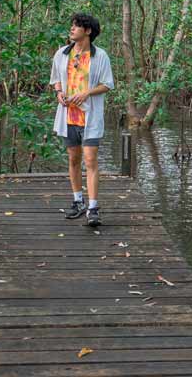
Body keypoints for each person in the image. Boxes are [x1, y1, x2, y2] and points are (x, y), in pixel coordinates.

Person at [49, 13, 114, 227]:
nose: (72, 29)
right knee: (73, 160)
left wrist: (86, 93)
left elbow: (107, 84)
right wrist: (59, 94)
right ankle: (78, 201)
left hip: (90, 116)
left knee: (90, 160)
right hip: (68, 115)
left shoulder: (100, 56)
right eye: (72, 25)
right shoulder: (61, 54)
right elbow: (56, 80)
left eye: (77, 26)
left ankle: (93, 207)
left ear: (88, 31)